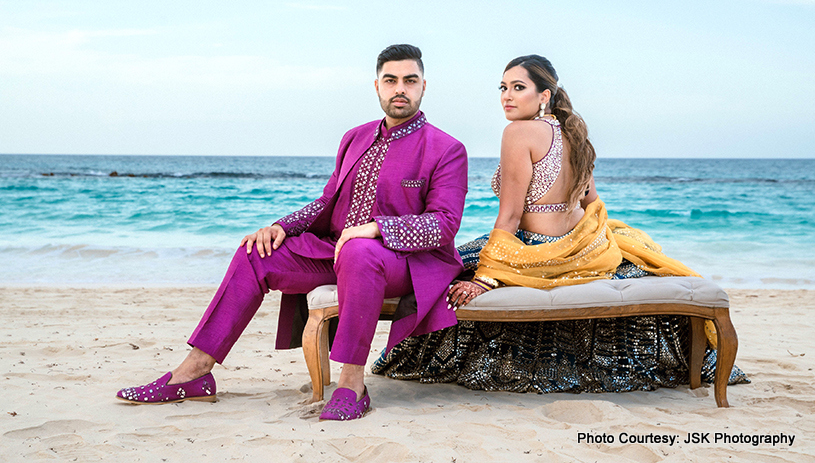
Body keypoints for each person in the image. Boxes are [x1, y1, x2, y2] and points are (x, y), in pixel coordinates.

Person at [116, 44, 469, 421]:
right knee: (256, 252)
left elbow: (444, 223)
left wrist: (374, 229)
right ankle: (194, 372)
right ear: (377, 87)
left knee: (359, 251)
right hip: (337, 251)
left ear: (423, 86)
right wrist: (280, 227)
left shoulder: (447, 149)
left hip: (402, 263)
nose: (401, 88)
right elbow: (327, 201)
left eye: (410, 80)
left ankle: (352, 384)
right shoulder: (355, 137)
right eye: (391, 80)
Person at [372, 55, 748, 393]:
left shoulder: (517, 133)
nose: (507, 96)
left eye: (519, 88)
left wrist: (485, 277)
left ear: (544, 96)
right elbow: (592, 202)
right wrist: (593, 240)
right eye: (503, 87)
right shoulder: (573, 131)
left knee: (446, 267)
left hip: (538, 247)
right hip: (585, 245)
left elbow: (511, 216)